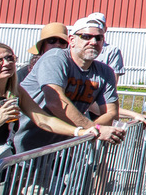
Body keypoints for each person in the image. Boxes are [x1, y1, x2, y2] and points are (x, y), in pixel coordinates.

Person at [0, 42, 96, 160]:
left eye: (10, 58)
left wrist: (79, 132)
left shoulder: (15, 91)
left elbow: (43, 119)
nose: (6, 63)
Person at [15, 17, 125, 151]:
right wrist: (93, 130)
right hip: (25, 147)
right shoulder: (55, 58)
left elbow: (111, 113)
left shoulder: (105, 72)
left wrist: (90, 131)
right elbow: (56, 102)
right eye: (86, 37)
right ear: (72, 40)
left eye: (99, 38)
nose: (93, 42)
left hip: (60, 149)